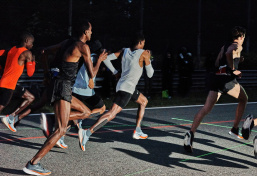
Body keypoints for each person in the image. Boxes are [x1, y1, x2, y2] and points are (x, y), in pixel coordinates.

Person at [23, 19, 107, 175]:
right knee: (61, 130)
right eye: (90, 30)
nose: (91, 33)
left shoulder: (67, 42)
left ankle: (53, 120)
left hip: (60, 84)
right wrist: (99, 61)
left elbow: (44, 51)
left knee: (86, 112)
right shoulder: (83, 47)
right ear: (85, 32)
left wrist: (47, 74)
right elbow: (92, 74)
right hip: (63, 86)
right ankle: (33, 163)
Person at [78, 32, 154, 151]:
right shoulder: (144, 53)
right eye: (143, 43)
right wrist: (148, 60)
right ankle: (87, 133)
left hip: (123, 85)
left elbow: (106, 59)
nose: (144, 45)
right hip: (127, 88)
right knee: (112, 114)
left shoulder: (124, 50)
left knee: (143, 101)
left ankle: (138, 130)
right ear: (140, 42)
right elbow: (150, 75)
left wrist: (115, 72)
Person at [184, 26, 248, 153]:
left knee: (206, 109)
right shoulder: (237, 46)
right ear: (241, 37)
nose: (243, 40)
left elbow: (218, 62)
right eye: (243, 38)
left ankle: (190, 134)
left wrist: (236, 61)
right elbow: (229, 53)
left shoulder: (224, 46)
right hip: (226, 80)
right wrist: (233, 69)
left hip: (215, 78)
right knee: (244, 99)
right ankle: (235, 128)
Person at [0, 32, 36, 132]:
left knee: (30, 97)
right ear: (26, 41)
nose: (32, 45)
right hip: (9, 85)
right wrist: (32, 61)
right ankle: (10, 118)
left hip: (4, 82)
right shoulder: (27, 53)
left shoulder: (12, 49)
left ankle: (11, 117)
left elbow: (2, 53)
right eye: (31, 43)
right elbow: (30, 73)